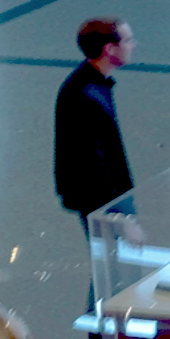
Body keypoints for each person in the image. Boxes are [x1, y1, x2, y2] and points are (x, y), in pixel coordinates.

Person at [52, 15, 133, 218]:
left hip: (101, 199)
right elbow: (92, 162)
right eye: (128, 40)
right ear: (110, 49)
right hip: (99, 202)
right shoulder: (85, 95)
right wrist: (120, 217)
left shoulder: (93, 84)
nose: (133, 45)